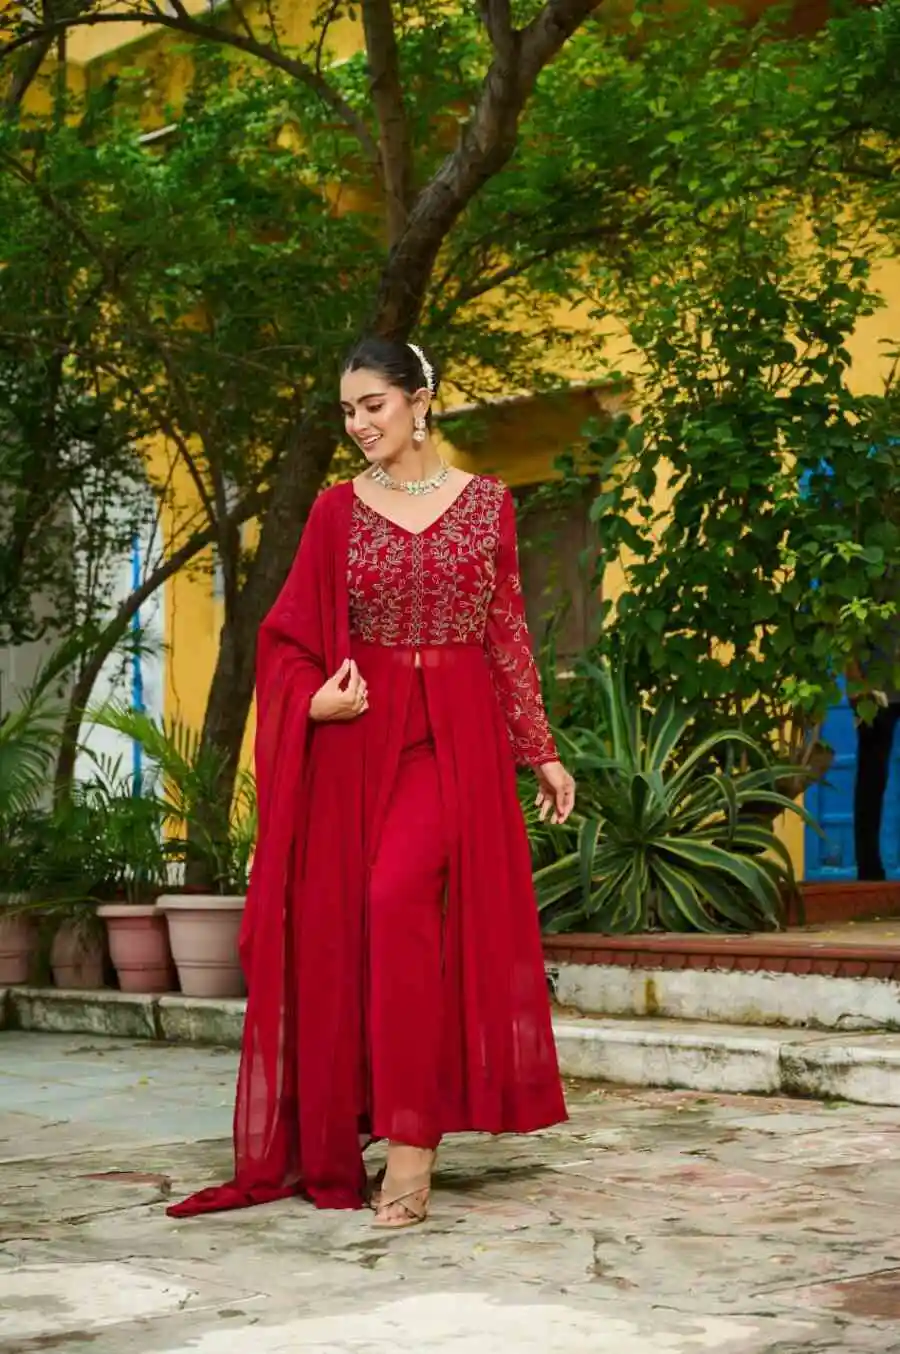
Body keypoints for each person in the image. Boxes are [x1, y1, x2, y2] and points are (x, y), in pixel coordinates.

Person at [167, 337, 574, 1230]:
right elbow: (285, 637)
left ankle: (412, 1145)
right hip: (359, 741)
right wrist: (310, 701)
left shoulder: (488, 505)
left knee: (396, 904)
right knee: (353, 930)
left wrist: (538, 749)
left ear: (419, 400)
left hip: (456, 737)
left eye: (373, 405)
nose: (357, 424)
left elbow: (505, 630)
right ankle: (367, 1119)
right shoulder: (334, 514)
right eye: (347, 410)